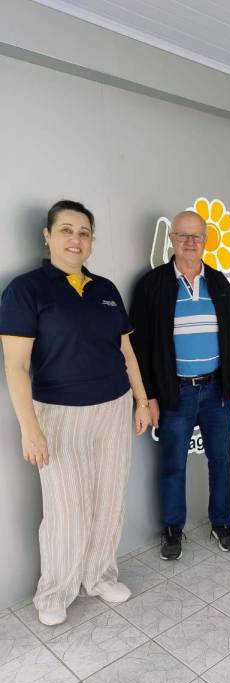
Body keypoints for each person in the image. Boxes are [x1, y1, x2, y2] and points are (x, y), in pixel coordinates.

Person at [0, 200, 151, 626]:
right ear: (47, 236)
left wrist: (142, 400)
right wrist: (29, 428)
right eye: (66, 230)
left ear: (91, 241)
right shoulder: (25, 290)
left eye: (84, 232)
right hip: (59, 414)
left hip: (114, 408)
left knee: (109, 500)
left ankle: (99, 577)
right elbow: (15, 366)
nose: (75, 239)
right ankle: (55, 591)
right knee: (66, 510)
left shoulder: (105, 290)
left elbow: (126, 351)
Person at [129, 210, 230, 560]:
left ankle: (221, 523)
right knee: (172, 465)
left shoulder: (219, 283)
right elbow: (139, 347)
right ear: (172, 239)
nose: (190, 242)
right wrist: (148, 397)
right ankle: (172, 528)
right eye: (182, 235)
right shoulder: (152, 285)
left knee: (220, 460)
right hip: (174, 393)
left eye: (197, 236)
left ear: (206, 241)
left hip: (216, 390)